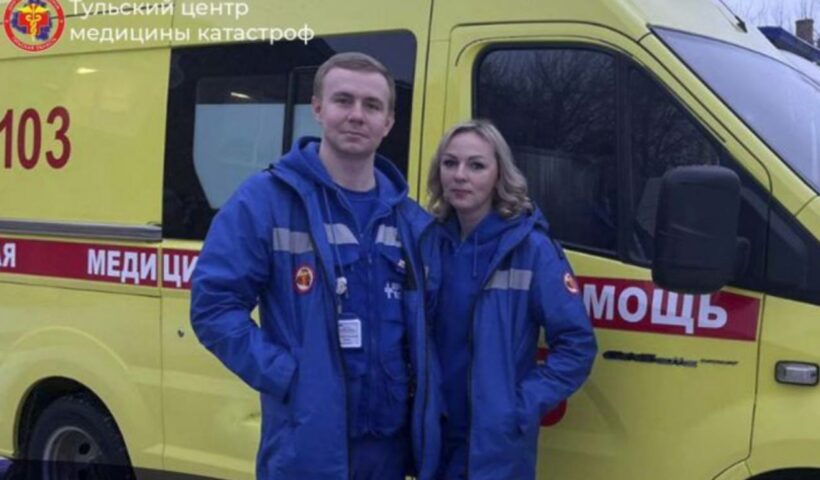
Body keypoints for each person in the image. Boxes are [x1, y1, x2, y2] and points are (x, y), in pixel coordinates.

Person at [190, 52, 441, 480]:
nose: (357, 115)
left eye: (372, 105)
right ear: (318, 108)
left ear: (388, 123)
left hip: (391, 452)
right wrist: (288, 376)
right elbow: (213, 308)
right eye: (343, 100)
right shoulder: (266, 201)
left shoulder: (410, 220)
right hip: (306, 448)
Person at [423, 119, 597, 480]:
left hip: (495, 443)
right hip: (436, 437)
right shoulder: (427, 242)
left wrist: (520, 406)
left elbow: (577, 344)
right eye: (450, 163)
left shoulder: (531, 248)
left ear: (499, 174)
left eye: (476, 165)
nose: (460, 175)